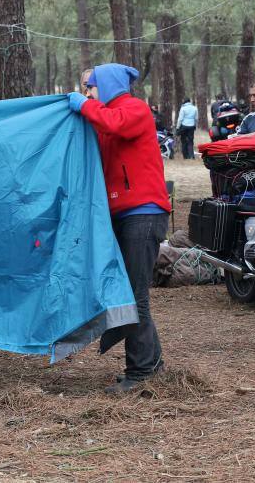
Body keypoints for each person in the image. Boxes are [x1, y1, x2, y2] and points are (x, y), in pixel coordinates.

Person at [67, 64, 171, 394]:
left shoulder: (133, 110)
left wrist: (82, 104)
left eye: (91, 87)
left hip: (144, 213)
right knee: (129, 293)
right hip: (124, 214)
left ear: (108, 84)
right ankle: (152, 364)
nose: (87, 94)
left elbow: (114, 123)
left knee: (134, 296)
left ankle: (140, 373)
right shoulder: (105, 116)